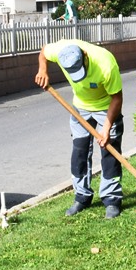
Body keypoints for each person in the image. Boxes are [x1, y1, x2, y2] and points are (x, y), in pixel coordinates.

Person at [35, 39, 125, 219]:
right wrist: (42, 70)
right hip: (80, 108)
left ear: (85, 56)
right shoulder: (60, 51)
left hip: (106, 107)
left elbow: (117, 98)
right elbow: (44, 51)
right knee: (79, 152)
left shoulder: (106, 64)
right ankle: (82, 196)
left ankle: (112, 199)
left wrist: (106, 128)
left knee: (109, 151)